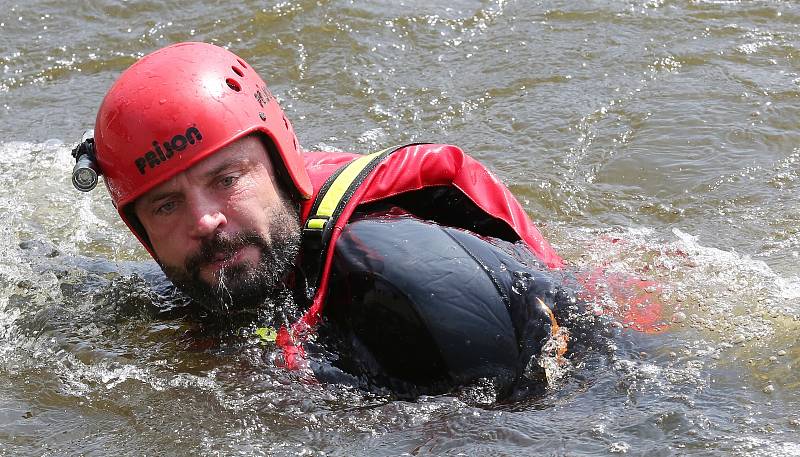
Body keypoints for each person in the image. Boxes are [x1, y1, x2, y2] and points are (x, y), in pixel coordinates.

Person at [74, 42, 604, 400]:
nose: (206, 221)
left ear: (282, 164)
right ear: (140, 231)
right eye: (165, 205)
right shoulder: (216, 269)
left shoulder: (396, 276)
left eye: (227, 180)